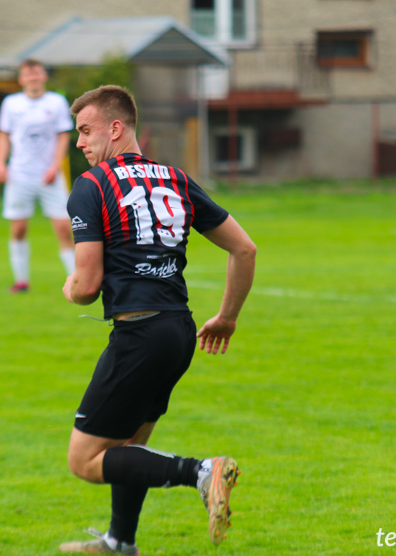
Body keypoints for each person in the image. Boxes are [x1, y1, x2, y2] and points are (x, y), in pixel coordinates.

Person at [59, 85, 257, 554]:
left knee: (85, 460)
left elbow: (86, 288)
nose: (79, 143)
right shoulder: (176, 178)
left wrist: (70, 288)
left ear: (116, 128)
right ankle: (120, 541)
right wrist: (227, 317)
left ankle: (201, 472)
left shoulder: (91, 187)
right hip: (178, 331)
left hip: (140, 333)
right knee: (128, 445)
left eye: (86, 131)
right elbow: (244, 249)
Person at [0, 58, 76, 293]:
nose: (33, 77)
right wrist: (0, 163)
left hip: (50, 175)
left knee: (64, 227)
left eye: (37, 73)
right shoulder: (11, 103)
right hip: (20, 174)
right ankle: (21, 281)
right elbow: (3, 134)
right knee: (18, 228)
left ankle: (75, 280)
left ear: (44, 76)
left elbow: (63, 135)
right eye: (28, 74)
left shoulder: (56, 101)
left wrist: (55, 166)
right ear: (21, 79)